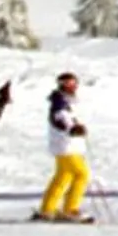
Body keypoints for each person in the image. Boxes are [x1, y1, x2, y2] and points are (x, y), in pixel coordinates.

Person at [36, 72, 92, 221]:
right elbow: (61, 118)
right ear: (61, 85)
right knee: (81, 174)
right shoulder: (60, 102)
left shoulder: (66, 101)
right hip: (66, 147)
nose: (73, 87)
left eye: (74, 83)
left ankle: (47, 208)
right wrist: (72, 128)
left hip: (67, 146)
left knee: (63, 176)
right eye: (69, 84)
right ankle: (70, 209)